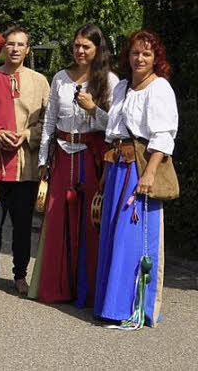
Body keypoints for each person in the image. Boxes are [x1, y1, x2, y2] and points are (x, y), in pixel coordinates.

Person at [94, 29, 177, 329]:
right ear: (127, 56)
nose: (139, 58)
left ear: (156, 58)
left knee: (133, 238)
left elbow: (163, 136)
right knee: (113, 235)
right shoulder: (123, 87)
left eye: (146, 53)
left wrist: (150, 173)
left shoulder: (160, 89)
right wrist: (105, 172)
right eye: (135, 52)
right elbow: (114, 131)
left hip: (139, 168)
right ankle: (110, 305)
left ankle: (132, 308)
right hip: (116, 165)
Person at [33, 24, 119, 305]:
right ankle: (59, 288)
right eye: (77, 46)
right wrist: (44, 158)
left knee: (89, 222)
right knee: (58, 220)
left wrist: (93, 108)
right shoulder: (60, 78)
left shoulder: (109, 81)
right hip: (62, 152)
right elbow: (49, 120)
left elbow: (117, 126)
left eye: (86, 47)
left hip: (91, 155)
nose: (80, 51)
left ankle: (88, 290)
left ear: (97, 49)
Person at [0, 26, 49, 294]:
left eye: (20, 45)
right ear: (4, 47)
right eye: (11, 44)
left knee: (23, 227)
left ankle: (19, 275)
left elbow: (48, 122)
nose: (15, 49)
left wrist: (26, 134)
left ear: (27, 49)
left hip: (25, 167)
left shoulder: (39, 81)